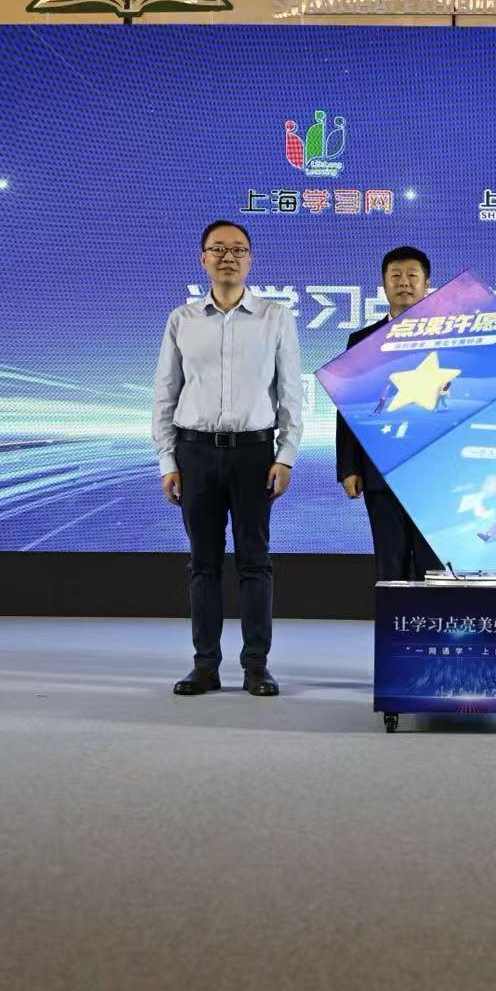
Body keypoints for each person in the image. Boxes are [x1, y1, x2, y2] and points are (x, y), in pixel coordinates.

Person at [152, 220, 303, 697]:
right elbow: (165, 394)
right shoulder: (182, 319)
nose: (228, 257)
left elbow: (291, 394)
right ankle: (205, 666)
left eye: (238, 249)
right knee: (204, 563)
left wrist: (286, 456)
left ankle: (256, 666)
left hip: (255, 453)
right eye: (218, 249)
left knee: (255, 562)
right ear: (203, 259)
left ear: (250, 259)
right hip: (194, 453)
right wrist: (168, 461)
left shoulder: (275, 317)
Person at [338, 245, 440, 582]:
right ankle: (394, 621)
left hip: (437, 472)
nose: (404, 282)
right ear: (384, 284)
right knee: (390, 566)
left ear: (427, 284)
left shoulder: (452, 334)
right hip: (382, 472)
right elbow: (349, 406)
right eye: (395, 275)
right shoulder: (362, 340)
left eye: (412, 275)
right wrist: (349, 467)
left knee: (434, 568)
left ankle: (431, 621)